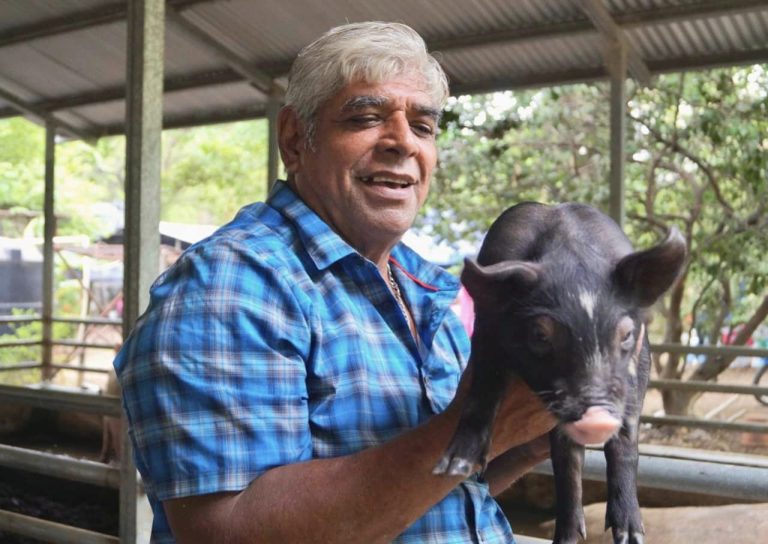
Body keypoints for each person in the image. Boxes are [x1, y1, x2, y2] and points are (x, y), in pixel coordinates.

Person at [114, 21, 555, 543]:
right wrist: (476, 428)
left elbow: (440, 493)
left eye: (423, 126)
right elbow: (226, 532)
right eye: (366, 118)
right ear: (296, 140)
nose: (402, 143)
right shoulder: (233, 285)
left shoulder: (425, 288)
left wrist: (528, 438)